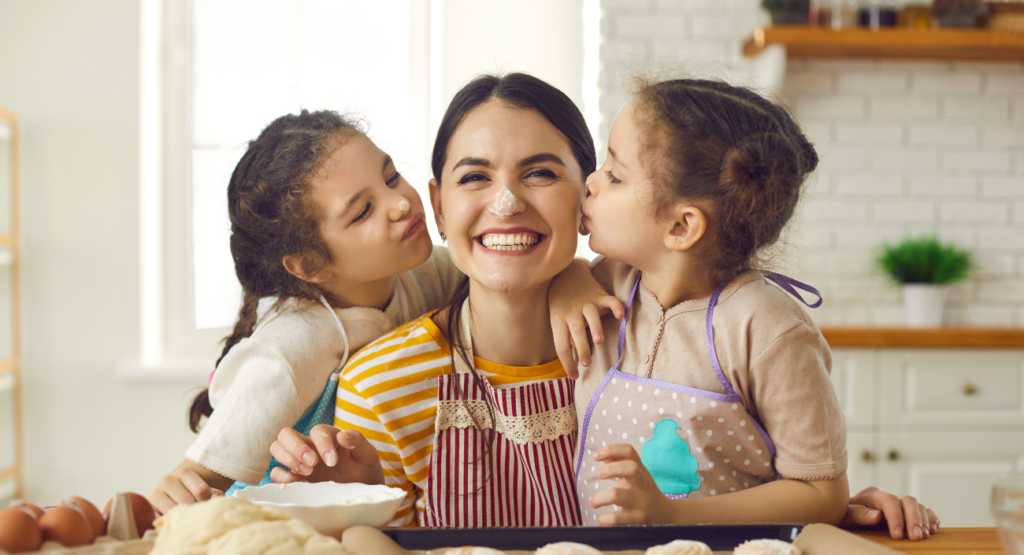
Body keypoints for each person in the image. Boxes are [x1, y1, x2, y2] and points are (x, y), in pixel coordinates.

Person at [270, 73, 938, 539]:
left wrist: (834, 507)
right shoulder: (377, 389)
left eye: (542, 172)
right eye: (475, 176)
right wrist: (352, 501)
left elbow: (715, 471)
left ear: (583, 201)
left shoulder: (632, 340)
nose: (506, 203)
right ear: (438, 205)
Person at [147, 108, 615, 515]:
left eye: (390, 176)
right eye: (362, 211)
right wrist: (176, 491)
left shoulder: (422, 271)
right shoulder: (287, 352)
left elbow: (509, 266)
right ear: (311, 264)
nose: (400, 203)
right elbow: (200, 478)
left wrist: (574, 275)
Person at [568, 77, 937, 540]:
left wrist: (670, 515)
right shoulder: (604, 284)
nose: (591, 182)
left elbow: (822, 494)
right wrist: (568, 280)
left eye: (615, 176)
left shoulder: (768, 328)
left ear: (682, 226)